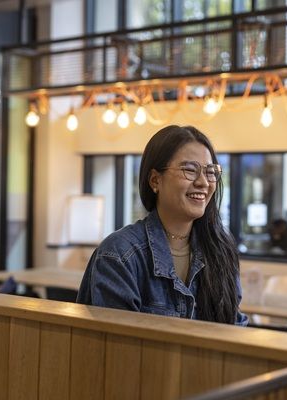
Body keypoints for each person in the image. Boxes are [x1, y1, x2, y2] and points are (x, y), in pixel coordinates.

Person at [77, 125, 247, 325]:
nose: (203, 182)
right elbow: (119, 348)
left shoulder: (220, 250)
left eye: (210, 172)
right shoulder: (120, 255)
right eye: (190, 170)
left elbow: (235, 330)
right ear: (155, 180)